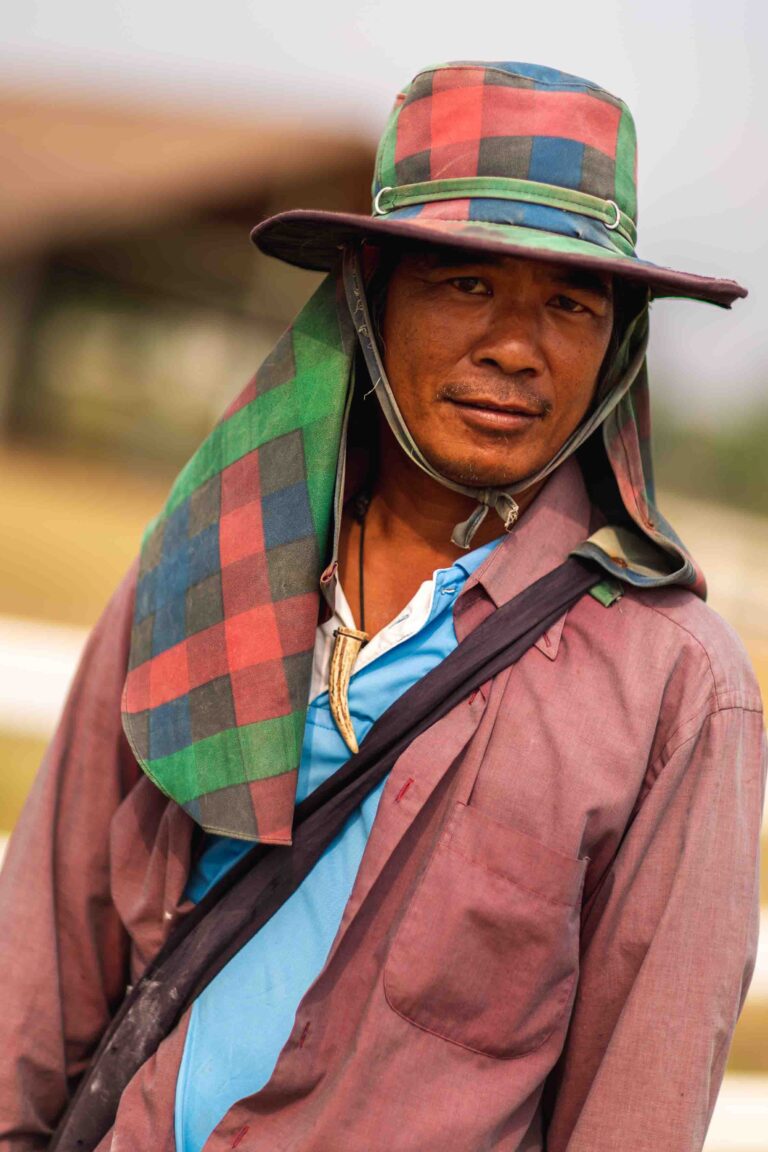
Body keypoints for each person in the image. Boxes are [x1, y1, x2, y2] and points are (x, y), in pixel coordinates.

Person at [0, 60, 764, 1152]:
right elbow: (43, 953)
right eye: (464, 283)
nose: (514, 347)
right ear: (370, 290)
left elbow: (637, 1106)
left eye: (570, 301)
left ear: (619, 342)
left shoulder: (677, 693)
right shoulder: (207, 568)